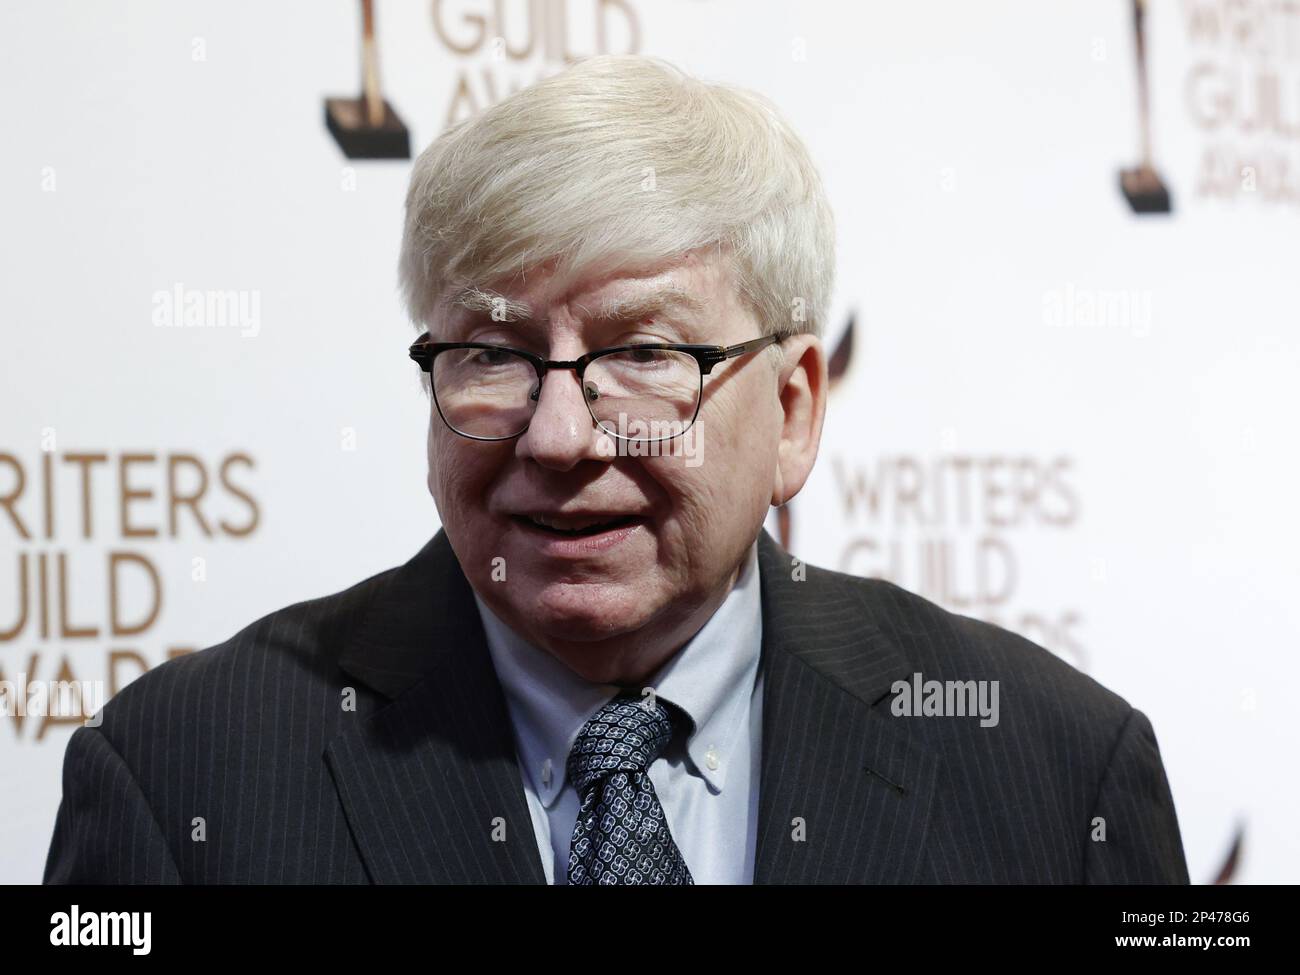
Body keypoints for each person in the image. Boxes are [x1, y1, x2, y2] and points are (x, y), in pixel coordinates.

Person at [44, 54, 1188, 885]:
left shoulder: (1053, 769)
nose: (556, 438)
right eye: (490, 354)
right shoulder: (183, 776)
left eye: (643, 355)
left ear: (791, 411)